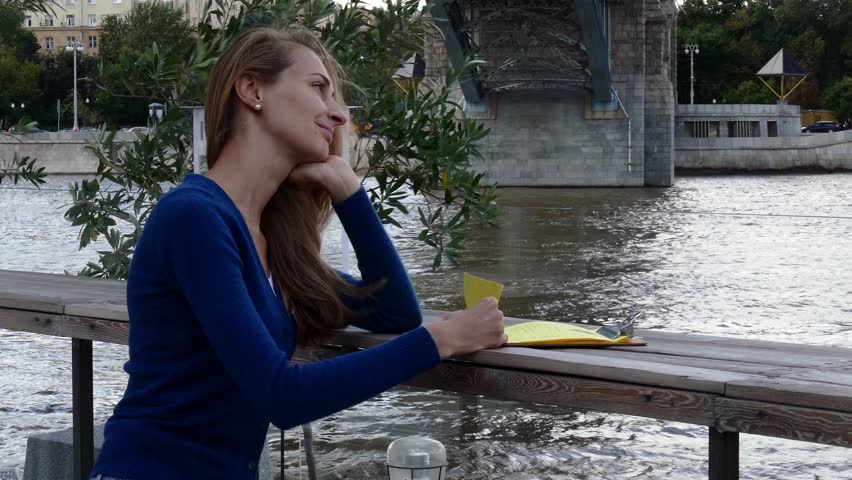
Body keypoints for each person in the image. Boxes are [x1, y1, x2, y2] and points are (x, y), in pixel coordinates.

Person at [89, 27, 506, 480]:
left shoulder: (270, 241)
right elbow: (281, 396)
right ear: (252, 90)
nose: (338, 114)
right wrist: (444, 339)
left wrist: (349, 192)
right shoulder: (193, 219)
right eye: (317, 87)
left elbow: (394, 312)